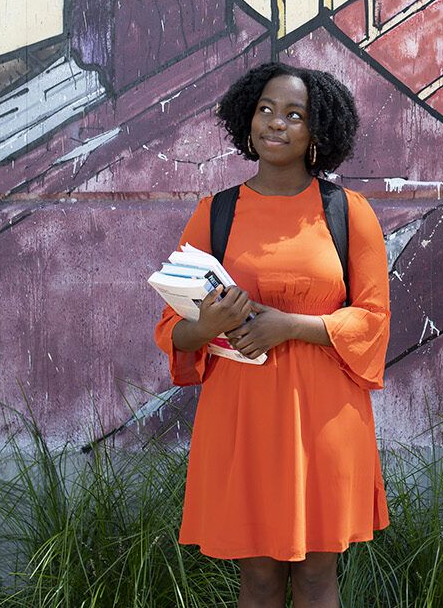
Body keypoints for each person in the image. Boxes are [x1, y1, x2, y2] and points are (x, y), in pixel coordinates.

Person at [153, 62, 390, 608]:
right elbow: (172, 332)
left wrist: (289, 326)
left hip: (327, 418)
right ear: (247, 118)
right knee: (257, 580)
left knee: (315, 578)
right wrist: (206, 325)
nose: (276, 123)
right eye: (265, 109)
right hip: (243, 415)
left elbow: (374, 321)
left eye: (294, 115)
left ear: (317, 132)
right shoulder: (216, 213)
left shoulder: (348, 213)